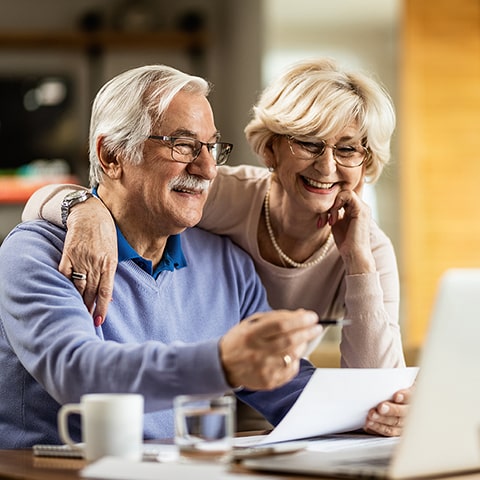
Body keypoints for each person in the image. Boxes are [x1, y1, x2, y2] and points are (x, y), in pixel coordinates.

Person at [23, 59, 412, 438]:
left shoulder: (228, 263)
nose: (207, 169)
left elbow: (295, 386)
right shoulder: (42, 250)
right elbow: (76, 373)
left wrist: (383, 412)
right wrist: (81, 207)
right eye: (183, 145)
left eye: (210, 147)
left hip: (192, 448)